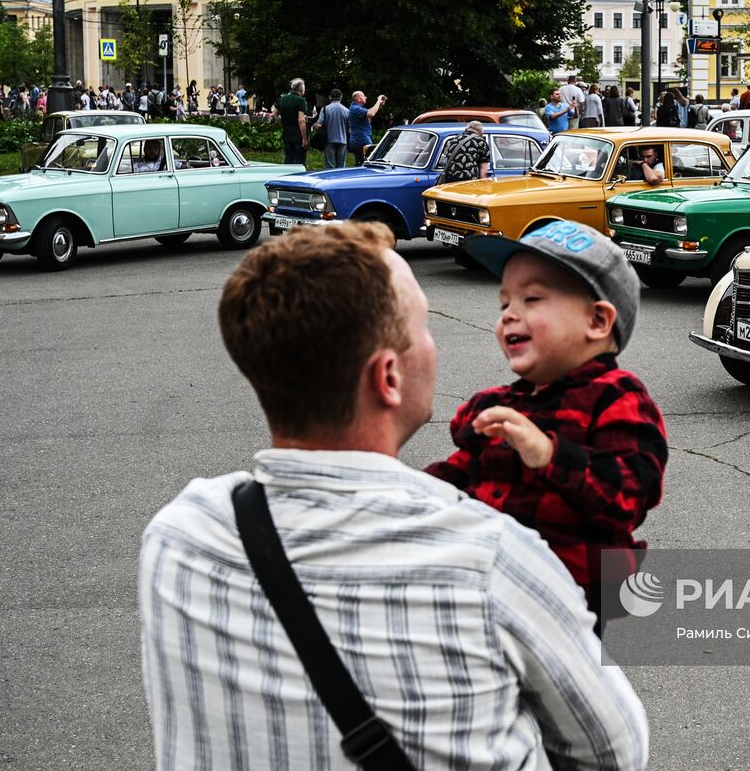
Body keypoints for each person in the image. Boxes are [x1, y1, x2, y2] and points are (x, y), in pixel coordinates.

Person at [140, 223, 647, 770]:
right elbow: (613, 754)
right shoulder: (493, 561)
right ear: (388, 377)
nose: (504, 317)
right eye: (425, 326)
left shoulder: (177, 538)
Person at [426, 220, 665, 621]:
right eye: (504, 304)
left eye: (531, 298)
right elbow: (464, 474)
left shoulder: (617, 396)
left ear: (597, 321)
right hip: (493, 591)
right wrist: (411, 491)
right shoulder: (508, 403)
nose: (508, 316)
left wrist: (551, 454)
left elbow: (629, 496)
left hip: (572, 601)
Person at [270, 78, 310, 166]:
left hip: (286, 131)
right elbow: (301, 120)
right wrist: (304, 138)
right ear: (301, 88)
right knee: (299, 158)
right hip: (297, 133)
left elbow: (274, 115)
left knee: (289, 156)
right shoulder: (301, 100)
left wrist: (282, 123)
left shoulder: (282, 99)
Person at [314, 89, 352, 169]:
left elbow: (319, 124)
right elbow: (350, 127)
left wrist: (314, 125)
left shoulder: (325, 109)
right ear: (341, 97)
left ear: (330, 97)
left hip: (329, 140)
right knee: (341, 166)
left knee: (329, 165)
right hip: (343, 140)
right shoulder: (347, 110)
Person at [348, 91, 386, 164]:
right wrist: (378, 101)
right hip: (362, 140)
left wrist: (380, 105)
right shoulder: (356, 108)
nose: (366, 97)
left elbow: (371, 112)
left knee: (361, 163)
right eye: (364, 96)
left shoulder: (355, 108)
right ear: (358, 99)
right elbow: (371, 114)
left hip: (358, 140)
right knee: (367, 163)